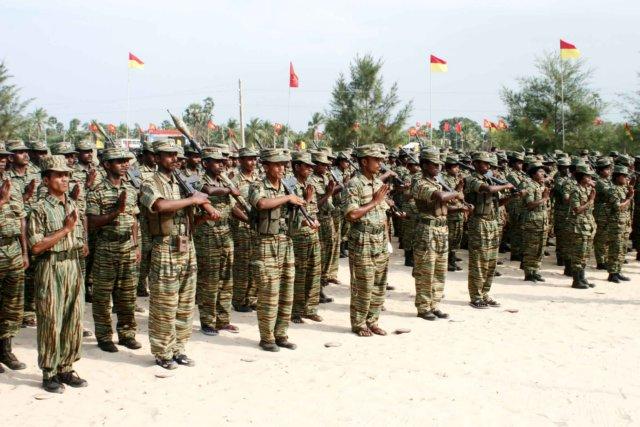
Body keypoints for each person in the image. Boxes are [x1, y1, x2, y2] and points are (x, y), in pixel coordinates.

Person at [139, 139, 219, 369]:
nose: (174, 159)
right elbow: (159, 206)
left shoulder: (181, 182)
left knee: (185, 303)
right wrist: (193, 199)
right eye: (168, 155)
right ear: (156, 158)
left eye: (176, 155)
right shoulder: (150, 182)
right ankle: (162, 352)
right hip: (165, 248)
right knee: (164, 304)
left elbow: (187, 219)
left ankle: (179, 348)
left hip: (186, 246)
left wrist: (203, 216)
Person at [28, 155, 88, 393]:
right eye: (59, 175)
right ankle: (49, 372)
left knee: (74, 319)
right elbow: (36, 246)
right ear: (46, 180)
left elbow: (79, 234)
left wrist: (80, 242)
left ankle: (66, 367)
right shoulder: (39, 208)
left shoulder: (73, 204)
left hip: (72, 265)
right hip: (51, 266)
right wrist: (65, 230)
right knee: (51, 321)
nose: (64, 179)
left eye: (66, 175)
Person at [86, 147, 142, 352]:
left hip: (127, 246)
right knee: (103, 296)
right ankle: (104, 337)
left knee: (127, 294)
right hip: (106, 247)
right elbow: (92, 221)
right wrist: (115, 212)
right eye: (119, 161)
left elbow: (134, 218)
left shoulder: (131, 189)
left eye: (126, 161)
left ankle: (127, 334)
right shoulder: (97, 190)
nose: (125, 164)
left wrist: (136, 244)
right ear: (107, 165)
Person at [248, 148, 301, 351]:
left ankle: (281, 334)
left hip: (285, 242)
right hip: (266, 244)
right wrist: (287, 199)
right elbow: (261, 203)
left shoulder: (286, 187)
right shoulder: (258, 185)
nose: (281, 168)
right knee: (269, 292)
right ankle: (267, 337)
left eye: (283, 165)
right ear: (266, 166)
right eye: (277, 164)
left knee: (287, 292)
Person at [412, 149, 466, 320]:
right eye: (434, 164)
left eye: (439, 165)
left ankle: (434, 304)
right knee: (426, 270)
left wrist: (459, 205)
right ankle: (423, 307)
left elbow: (443, 207)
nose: (438, 167)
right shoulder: (420, 183)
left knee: (440, 270)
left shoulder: (436, 182)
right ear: (424, 165)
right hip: (427, 230)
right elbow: (441, 197)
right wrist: (457, 193)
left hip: (442, 229)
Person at [343, 145, 390, 337]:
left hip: (380, 238)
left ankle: (373, 321)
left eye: (380, 160)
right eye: (376, 160)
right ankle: (359, 323)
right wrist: (374, 202)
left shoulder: (378, 182)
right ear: (364, 161)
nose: (380, 163)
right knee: (363, 283)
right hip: (363, 239)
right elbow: (352, 214)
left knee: (379, 283)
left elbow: (384, 214)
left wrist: (387, 240)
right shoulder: (354, 184)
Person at [194, 147, 240, 335]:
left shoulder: (223, 181)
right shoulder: (198, 180)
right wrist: (230, 189)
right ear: (205, 163)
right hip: (207, 236)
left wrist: (249, 219)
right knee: (209, 280)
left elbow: (232, 208)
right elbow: (208, 191)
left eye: (222, 161)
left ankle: (223, 320)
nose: (221, 164)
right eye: (216, 161)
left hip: (225, 234)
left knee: (226, 280)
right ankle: (207, 321)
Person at [464, 152, 515, 309]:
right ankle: (476, 296)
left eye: (489, 164)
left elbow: (497, 202)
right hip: (479, 223)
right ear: (476, 163)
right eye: (484, 163)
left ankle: (485, 293)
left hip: (492, 223)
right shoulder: (471, 179)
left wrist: (512, 196)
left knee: (491, 261)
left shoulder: (490, 179)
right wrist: (506, 186)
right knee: (479, 261)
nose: (488, 166)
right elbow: (487, 189)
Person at [0, 142, 28, 372]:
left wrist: (25, 251)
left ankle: (5, 349)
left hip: (13, 251)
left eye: (4, 157)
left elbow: (21, 219)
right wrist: (1, 200)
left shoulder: (12, 184)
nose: (2, 160)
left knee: (12, 305)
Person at [289, 151, 322, 324]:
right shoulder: (289, 185)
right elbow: (291, 214)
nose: (310, 169)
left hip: (312, 235)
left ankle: (310, 309)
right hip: (298, 236)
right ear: (297, 166)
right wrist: (307, 200)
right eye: (306, 166)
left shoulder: (310, 184)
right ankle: (295, 311)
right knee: (299, 275)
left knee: (314, 273)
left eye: (311, 166)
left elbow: (313, 211)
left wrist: (314, 218)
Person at [231, 147, 260, 312]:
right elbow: (232, 207)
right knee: (242, 265)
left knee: (256, 264)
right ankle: (239, 300)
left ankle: (252, 298)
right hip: (242, 228)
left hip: (257, 228)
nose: (253, 162)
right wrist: (248, 220)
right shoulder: (234, 181)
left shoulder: (258, 179)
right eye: (249, 159)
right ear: (240, 160)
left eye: (254, 159)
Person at [310, 151, 340, 302]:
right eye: (323, 165)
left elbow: (330, 196)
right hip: (318, 219)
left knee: (329, 252)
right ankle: (317, 290)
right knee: (319, 255)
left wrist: (336, 189)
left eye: (327, 165)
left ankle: (322, 283)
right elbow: (313, 205)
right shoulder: (311, 181)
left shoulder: (325, 177)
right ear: (315, 165)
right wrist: (328, 194)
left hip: (328, 218)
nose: (326, 167)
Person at [568, 165, 597, 289]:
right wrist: (590, 201)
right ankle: (576, 280)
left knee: (586, 253)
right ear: (581, 177)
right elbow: (577, 209)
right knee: (578, 253)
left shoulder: (588, 189)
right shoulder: (576, 190)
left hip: (588, 225)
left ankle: (582, 278)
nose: (590, 178)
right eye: (587, 176)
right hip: (579, 226)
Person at [521, 162, 550, 283]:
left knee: (540, 247)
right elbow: (530, 205)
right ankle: (529, 272)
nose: (543, 174)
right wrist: (544, 198)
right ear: (533, 174)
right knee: (531, 247)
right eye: (540, 171)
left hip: (542, 220)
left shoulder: (540, 185)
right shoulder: (530, 186)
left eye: (543, 171)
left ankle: (535, 270)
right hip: (532, 221)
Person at [605, 165, 634, 283]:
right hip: (615, 224)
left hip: (623, 223)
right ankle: (612, 273)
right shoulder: (613, 189)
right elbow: (618, 207)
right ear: (617, 177)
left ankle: (618, 271)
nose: (626, 178)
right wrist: (629, 198)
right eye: (624, 176)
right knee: (615, 248)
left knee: (622, 248)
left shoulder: (622, 188)